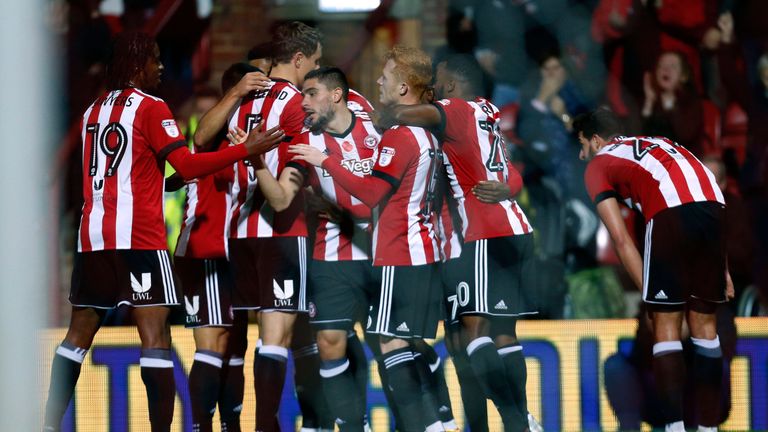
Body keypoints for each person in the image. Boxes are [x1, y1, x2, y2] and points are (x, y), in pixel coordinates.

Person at [42, 31, 284, 432]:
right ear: (139, 65)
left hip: (93, 240)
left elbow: (130, 169)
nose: (161, 66)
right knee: (155, 340)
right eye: (155, 59)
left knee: (75, 339)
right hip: (139, 239)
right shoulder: (152, 108)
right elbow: (187, 166)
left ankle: (48, 425)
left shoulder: (92, 112)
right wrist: (247, 149)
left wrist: (163, 181)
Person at [376, 53, 538, 431]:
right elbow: (511, 172)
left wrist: (390, 113)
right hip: (503, 230)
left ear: (448, 86)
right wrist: (510, 186)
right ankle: (500, 422)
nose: (431, 85)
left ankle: (517, 420)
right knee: (492, 336)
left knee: (473, 334)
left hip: (477, 233)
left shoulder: (455, 109)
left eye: (437, 80)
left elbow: (418, 114)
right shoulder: (488, 113)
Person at [290, 45, 444, 432]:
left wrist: (328, 175)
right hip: (334, 254)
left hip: (381, 253)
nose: (303, 101)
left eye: (310, 93)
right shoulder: (305, 137)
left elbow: (372, 195)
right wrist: (258, 161)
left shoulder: (379, 127)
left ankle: (434, 418)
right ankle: (358, 424)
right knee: (334, 341)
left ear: (336, 95)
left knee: (393, 344)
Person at [197, 21, 326, 432]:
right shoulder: (297, 106)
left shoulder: (244, 95)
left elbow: (200, 140)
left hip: (240, 233)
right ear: (299, 59)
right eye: (316, 63)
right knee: (278, 340)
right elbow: (284, 198)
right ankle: (267, 426)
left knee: (250, 339)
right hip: (281, 235)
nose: (317, 72)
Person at [574, 108, 734, 432]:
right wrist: (724, 270)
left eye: (582, 145)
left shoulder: (598, 165)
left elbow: (620, 239)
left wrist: (651, 296)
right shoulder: (659, 142)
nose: (582, 155)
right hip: (712, 206)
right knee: (705, 328)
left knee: (665, 326)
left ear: (596, 140)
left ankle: (674, 428)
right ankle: (708, 428)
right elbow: (702, 197)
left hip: (669, 210)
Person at [172, 62, 262, 432]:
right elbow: (201, 138)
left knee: (235, 344)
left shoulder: (246, 140)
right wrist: (236, 93)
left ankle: (231, 424)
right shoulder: (211, 137)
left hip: (234, 253)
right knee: (212, 343)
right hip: (204, 250)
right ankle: (198, 427)